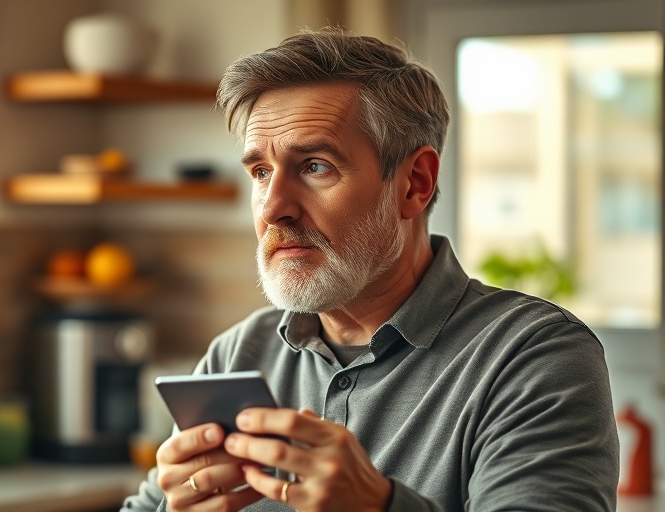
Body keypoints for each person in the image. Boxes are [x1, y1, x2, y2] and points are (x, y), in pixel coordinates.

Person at [121, 27, 618, 512]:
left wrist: (379, 506)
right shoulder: (237, 355)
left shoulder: (533, 358)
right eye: (261, 172)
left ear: (414, 184)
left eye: (315, 166)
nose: (274, 208)